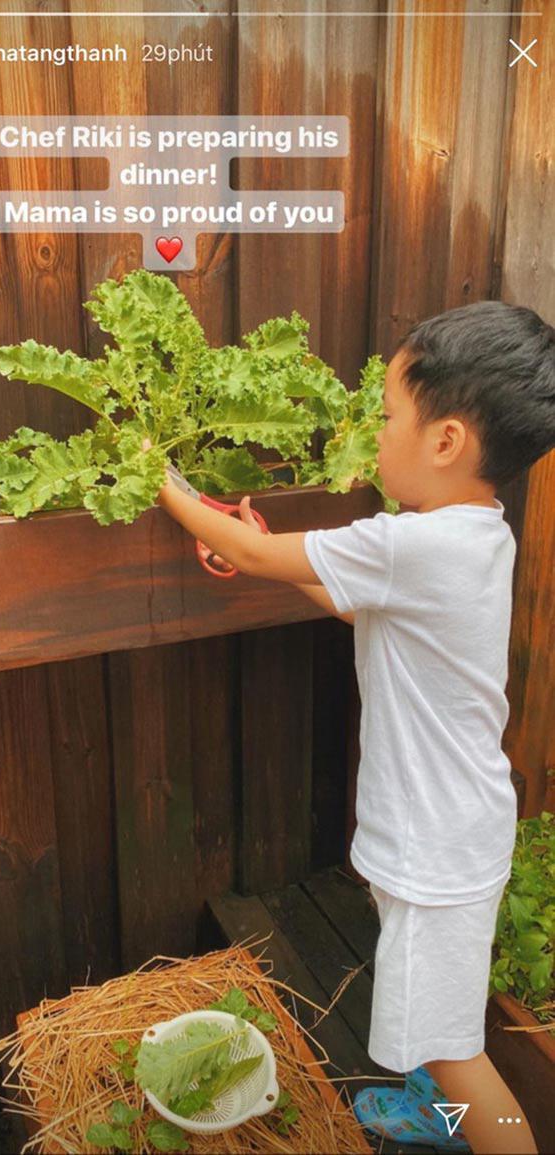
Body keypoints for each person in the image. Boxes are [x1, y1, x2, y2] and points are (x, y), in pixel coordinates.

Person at [146, 299, 554, 1153]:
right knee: (428, 1021)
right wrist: (257, 537)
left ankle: (502, 1136)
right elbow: (351, 597)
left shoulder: (419, 547)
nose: (376, 431)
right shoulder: (473, 534)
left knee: (455, 1051)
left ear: (444, 440)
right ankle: (435, 1115)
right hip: (442, 833)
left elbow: (264, 559)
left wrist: (165, 484)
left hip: (436, 850)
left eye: (387, 414)